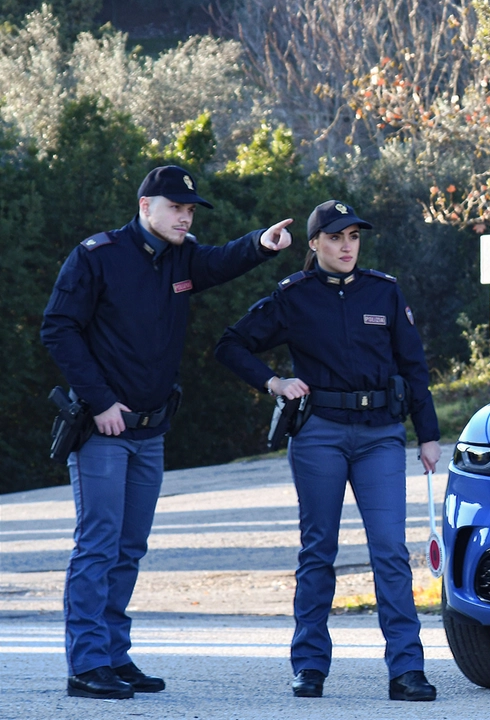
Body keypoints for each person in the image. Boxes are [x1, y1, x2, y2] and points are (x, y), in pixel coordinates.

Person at [41, 165, 294, 700]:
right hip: (103, 430)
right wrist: (101, 400)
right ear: (145, 207)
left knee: (129, 547)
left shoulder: (181, 256)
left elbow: (220, 261)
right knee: (99, 545)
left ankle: (113, 654)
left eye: (189, 210)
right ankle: (86, 665)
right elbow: (57, 328)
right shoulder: (97, 255)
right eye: (175, 207)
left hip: (151, 430)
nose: (184, 217)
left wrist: (262, 244)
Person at [214, 200, 442, 702]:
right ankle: (310, 667)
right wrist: (274, 381)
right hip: (319, 434)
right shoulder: (293, 296)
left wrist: (427, 433)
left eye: (354, 237)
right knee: (319, 552)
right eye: (336, 238)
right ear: (314, 243)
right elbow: (230, 345)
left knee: (389, 552)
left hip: (380, 434)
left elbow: (414, 364)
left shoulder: (384, 291)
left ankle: (407, 670)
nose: (346, 246)